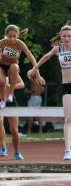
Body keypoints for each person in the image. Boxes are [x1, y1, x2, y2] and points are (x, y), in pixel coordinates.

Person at [27, 24, 71, 160]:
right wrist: (35, 69)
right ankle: (68, 150)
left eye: (69, 36)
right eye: (64, 36)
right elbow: (46, 57)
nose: (67, 38)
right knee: (68, 118)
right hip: (67, 86)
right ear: (61, 37)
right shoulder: (58, 49)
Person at [0, 25, 44, 108]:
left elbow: (32, 58)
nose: (12, 39)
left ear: (17, 36)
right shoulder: (2, 42)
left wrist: (38, 74)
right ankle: (3, 101)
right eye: (10, 36)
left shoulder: (20, 44)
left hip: (12, 68)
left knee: (15, 67)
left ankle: (10, 94)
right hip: (1, 66)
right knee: (2, 82)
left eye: (14, 36)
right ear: (6, 35)